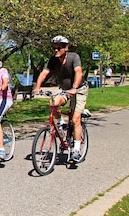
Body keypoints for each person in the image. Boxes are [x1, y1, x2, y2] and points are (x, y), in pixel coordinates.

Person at [33, 35, 88, 163]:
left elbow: (79, 72)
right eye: (54, 48)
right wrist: (37, 87)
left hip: (79, 89)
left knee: (75, 119)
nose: (56, 50)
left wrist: (74, 87)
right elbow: (44, 73)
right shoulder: (53, 60)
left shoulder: (74, 57)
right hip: (65, 90)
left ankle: (76, 150)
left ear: (66, 48)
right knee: (53, 103)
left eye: (59, 48)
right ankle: (61, 124)